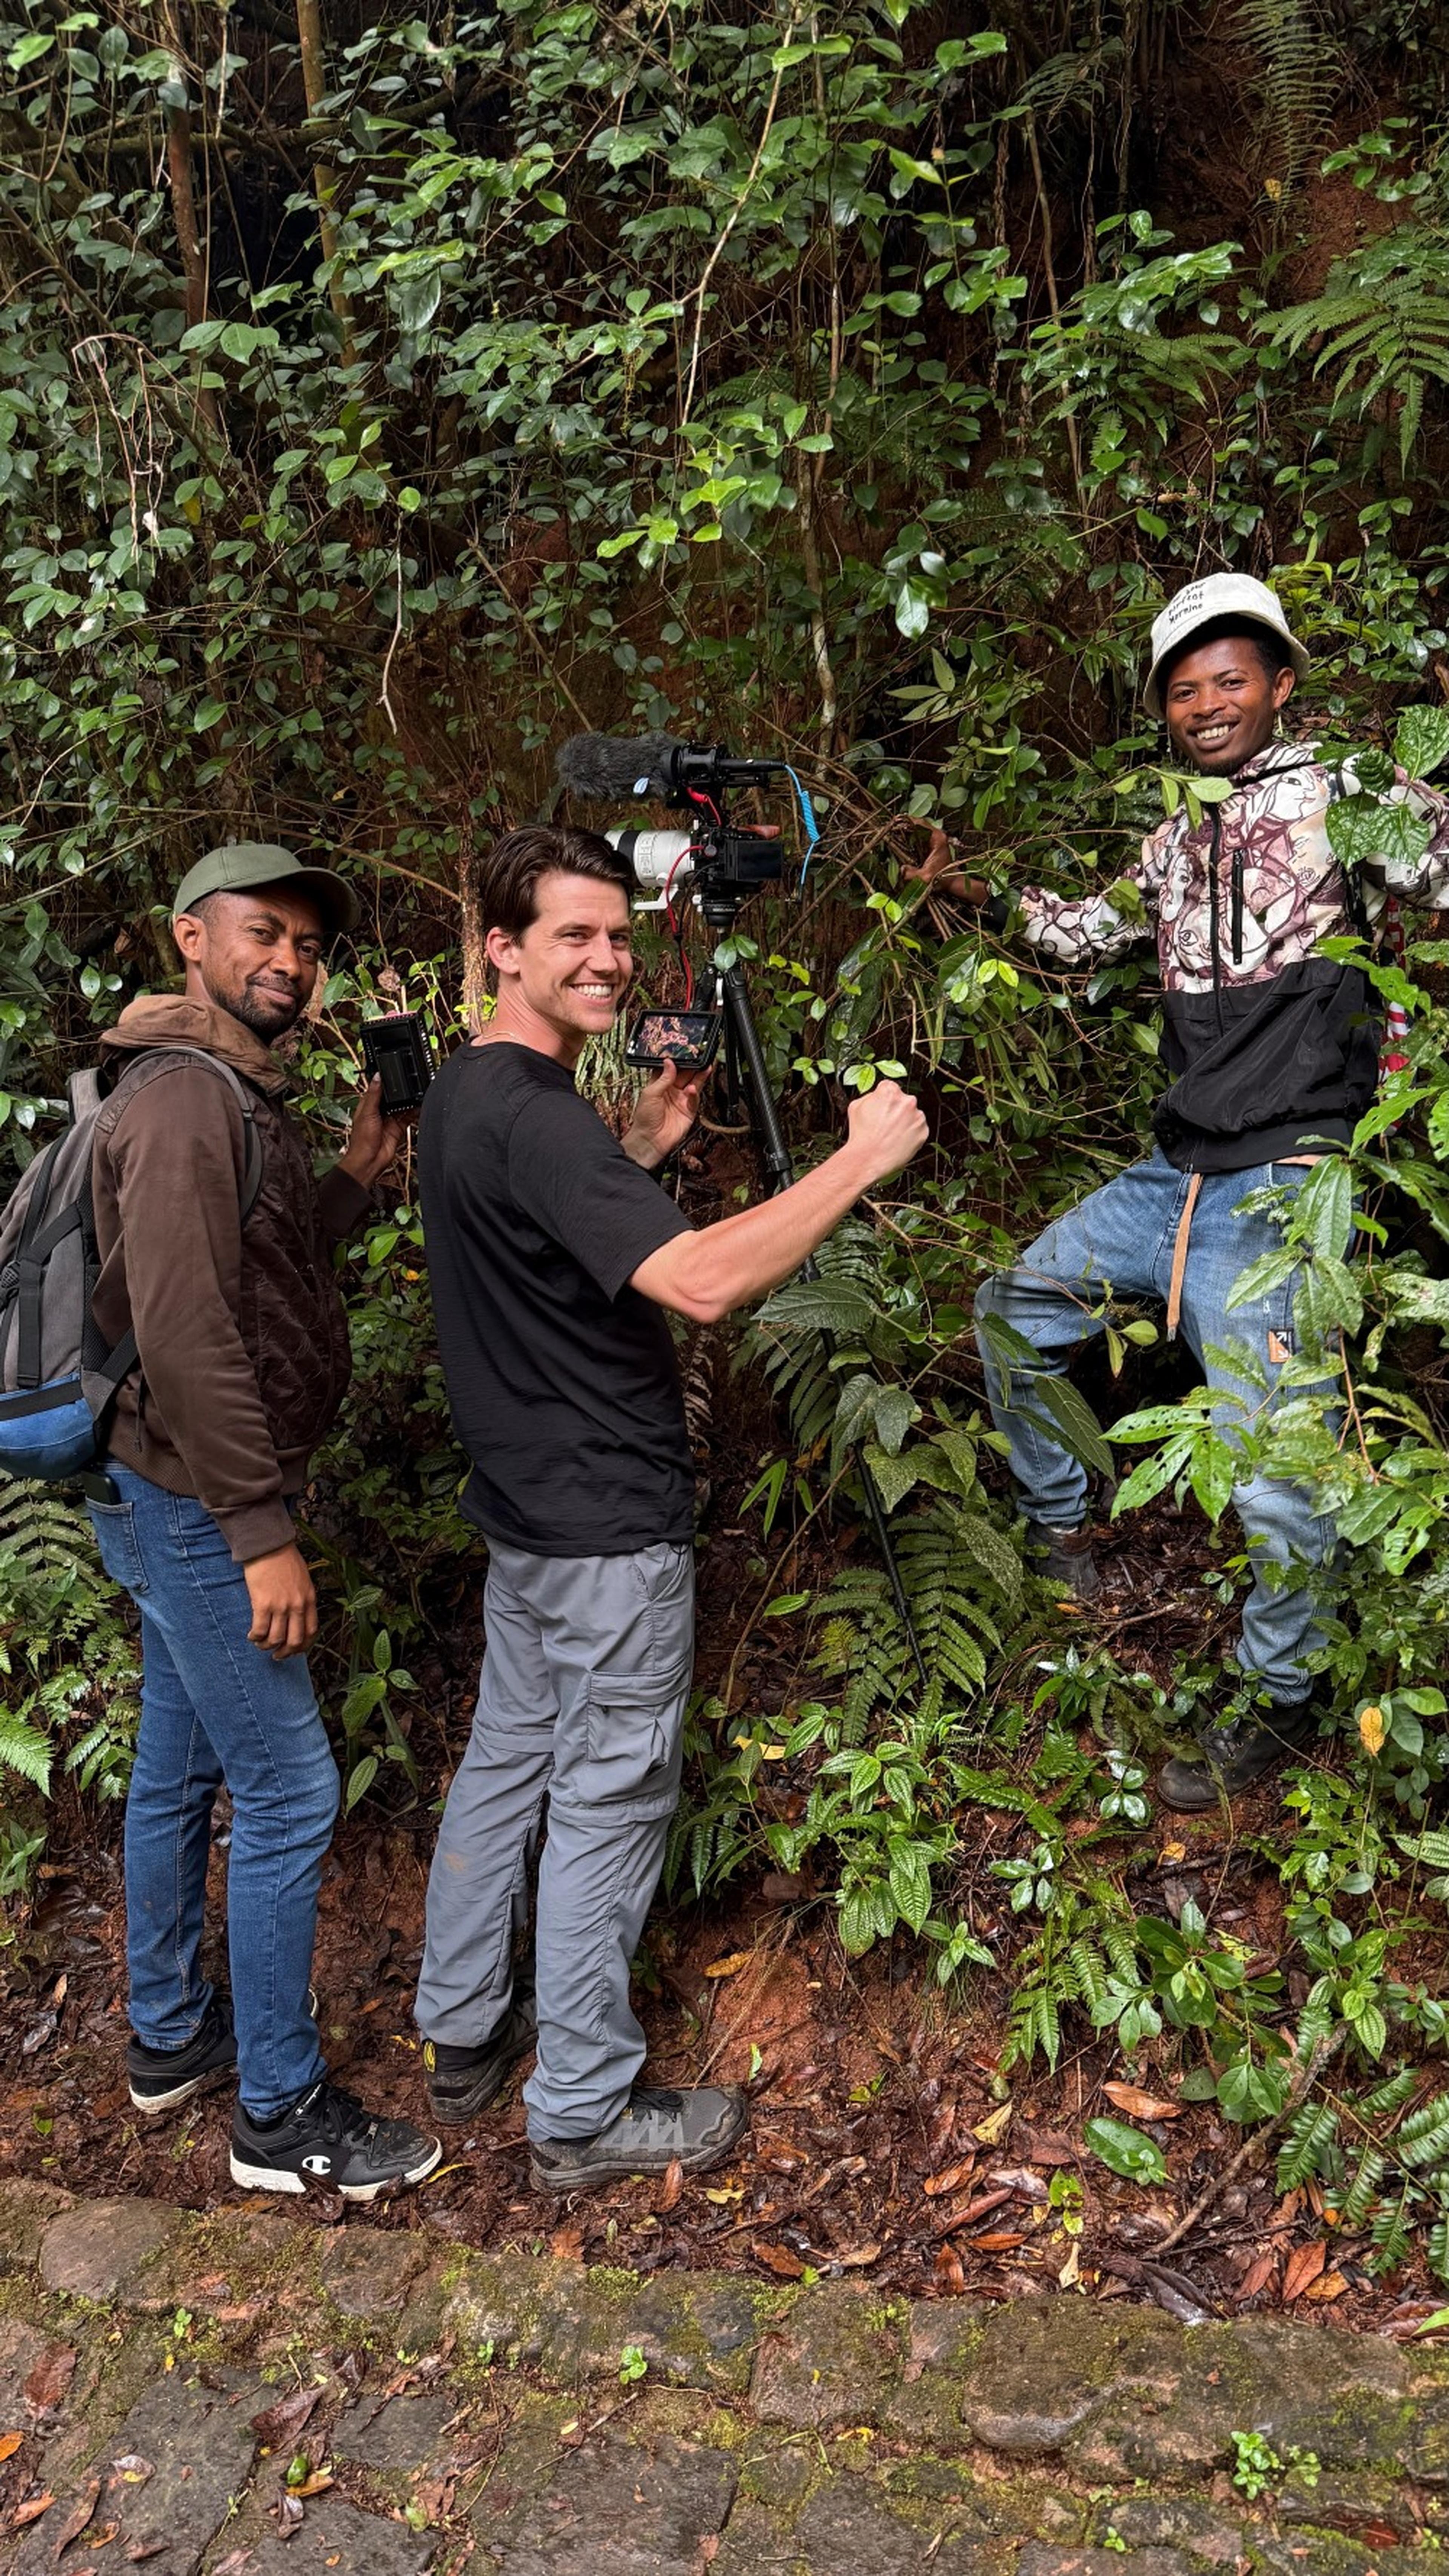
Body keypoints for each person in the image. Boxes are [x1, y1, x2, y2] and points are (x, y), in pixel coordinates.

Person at [415, 823, 928, 2191]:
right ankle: (581, 2109)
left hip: (526, 1514)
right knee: (608, 1795)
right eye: (572, 936)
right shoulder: (535, 1113)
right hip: (604, 1524)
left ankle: (462, 2029)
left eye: (617, 933)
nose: (606, 959)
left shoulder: (472, 1091)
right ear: (501, 948)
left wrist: (640, 1145)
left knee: (508, 1757)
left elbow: (542, 1232)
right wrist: (856, 1162)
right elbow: (698, 1283)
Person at [909, 573, 1449, 1810]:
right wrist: (975, 896)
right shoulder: (1173, 838)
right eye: (1185, 688)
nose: (1207, 704)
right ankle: (1062, 1525)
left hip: (1287, 1181)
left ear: (1281, 684)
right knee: (1012, 1308)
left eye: (1230, 679)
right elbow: (1084, 933)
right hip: (1177, 1178)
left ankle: (1285, 1694)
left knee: (1280, 1467)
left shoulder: (1348, 792)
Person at [88, 841, 442, 2200]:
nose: (289, 961)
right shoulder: (186, 1099)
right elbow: (186, 1334)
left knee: (179, 1761)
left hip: (164, 1489)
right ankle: (280, 2115)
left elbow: (262, 1276)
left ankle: (172, 2034)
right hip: (197, 1503)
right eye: (262, 933)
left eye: (307, 943)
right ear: (191, 937)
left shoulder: (227, 1086)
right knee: (291, 1788)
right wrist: (259, 1529)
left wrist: (351, 1171)